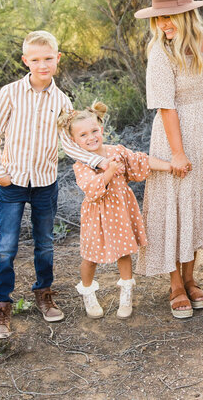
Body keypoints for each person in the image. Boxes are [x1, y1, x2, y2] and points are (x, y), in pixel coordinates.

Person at [0, 30, 104, 339]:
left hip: (45, 183)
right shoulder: (10, 92)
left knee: (45, 243)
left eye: (48, 58)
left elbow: (68, 143)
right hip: (12, 182)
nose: (42, 65)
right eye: (35, 60)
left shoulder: (62, 100)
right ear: (25, 61)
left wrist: (96, 160)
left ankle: (44, 293)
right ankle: (1, 306)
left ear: (57, 59)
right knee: (6, 246)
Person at [134, 0, 203, 319]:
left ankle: (191, 278)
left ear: (188, 14)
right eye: (159, 19)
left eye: (170, 16)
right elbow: (165, 106)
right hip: (174, 135)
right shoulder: (160, 51)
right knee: (175, 206)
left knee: (197, 205)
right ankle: (175, 283)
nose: (164, 25)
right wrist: (177, 152)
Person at [60, 102, 172, 319]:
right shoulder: (81, 164)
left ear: (101, 129)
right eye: (83, 135)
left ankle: (126, 295)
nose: (91, 137)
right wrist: (109, 170)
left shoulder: (117, 152)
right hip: (96, 215)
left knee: (124, 252)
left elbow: (140, 162)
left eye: (94, 131)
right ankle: (88, 293)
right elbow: (92, 190)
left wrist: (169, 166)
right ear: (74, 141)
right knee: (90, 256)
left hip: (120, 212)